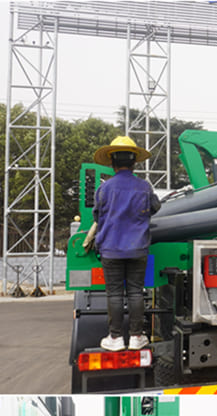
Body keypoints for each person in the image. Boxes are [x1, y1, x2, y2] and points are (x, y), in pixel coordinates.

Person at [92, 136, 160, 351]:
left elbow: (97, 215)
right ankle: (137, 337)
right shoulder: (144, 187)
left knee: (114, 293)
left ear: (112, 163)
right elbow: (155, 207)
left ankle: (115, 338)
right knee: (135, 292)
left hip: (111, 248)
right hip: (137, 247)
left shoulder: (105, 188)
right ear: (134, 163)